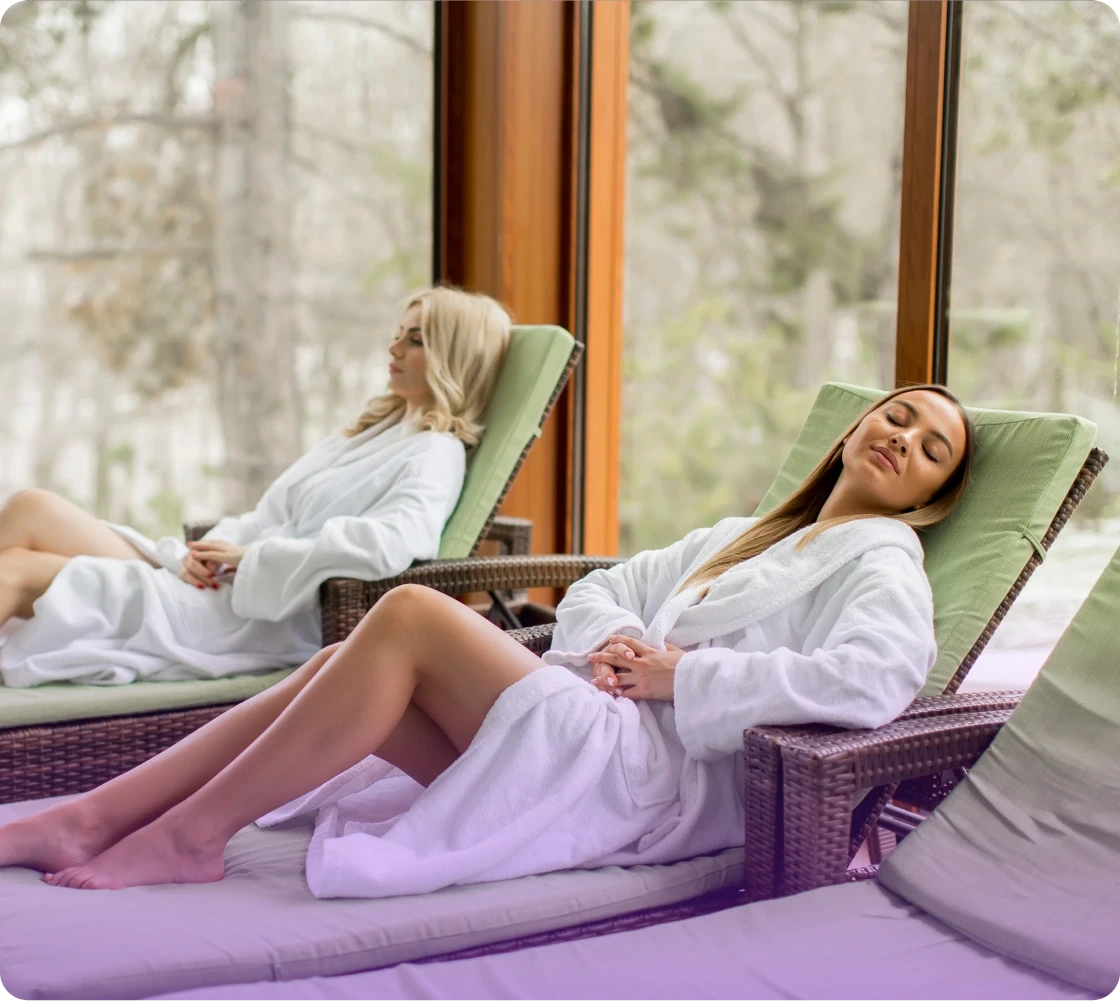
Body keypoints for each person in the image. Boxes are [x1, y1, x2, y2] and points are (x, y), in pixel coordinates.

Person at [0, 384, 975, 895]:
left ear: (929, 496)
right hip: (598, 724)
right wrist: (619, 638)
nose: (903, 437)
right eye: (897, 415)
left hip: (656, 772)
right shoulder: (744, 534)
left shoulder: (882, 558)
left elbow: (875, 676)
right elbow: (606, 585)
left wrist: (684, 674)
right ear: (859, 424)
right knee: (343, 661)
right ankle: (94, 814)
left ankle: (189, 835)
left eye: (930, 447)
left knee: (413, 614)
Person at [0, 285, 511, 686]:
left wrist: (254, 559)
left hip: (252, 614)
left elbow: (393, 543)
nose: (394, 347)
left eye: (416, 339)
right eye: (399, 333)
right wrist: (210, 551)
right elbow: (268, 515)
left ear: (454, 358)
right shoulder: (369, 434)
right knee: (30, 506)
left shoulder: (434, 452)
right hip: (219, 582)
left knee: (15, 571)